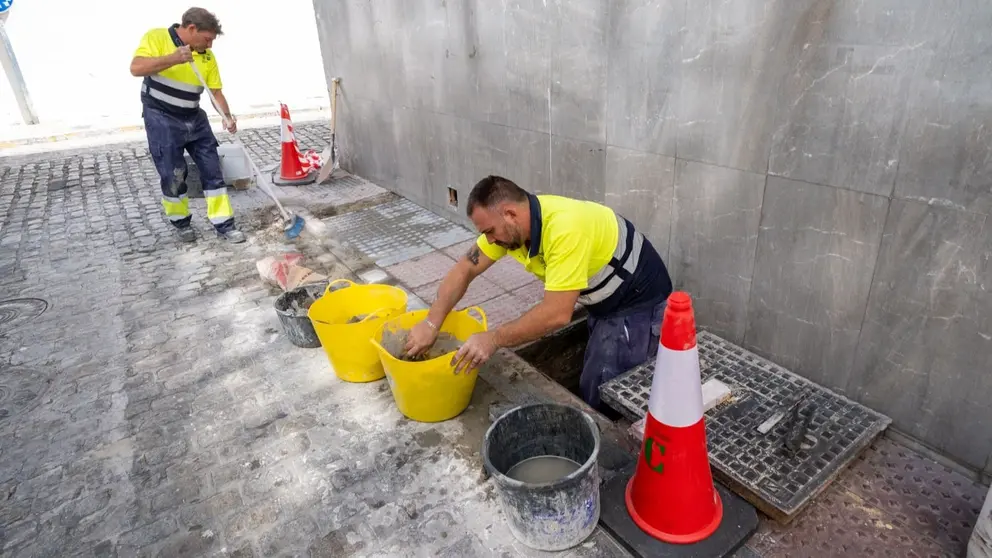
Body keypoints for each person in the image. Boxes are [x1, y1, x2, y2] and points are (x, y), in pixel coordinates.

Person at [404, 175, 673, 411]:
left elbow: (556, 314)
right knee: (597, 370)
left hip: (635, 301)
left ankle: (613, 453)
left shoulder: (565, 229)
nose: (488, 241)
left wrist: (494, 338)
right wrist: (431, 323)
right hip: (603, 297)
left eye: (489, 231)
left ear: (509, 213)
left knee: (602, 390)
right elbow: (465, 269)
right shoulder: (512, 229)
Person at [129, 7, 245, 243]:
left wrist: (227, 116)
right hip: (162, 118)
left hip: (194, 117)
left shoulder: (207, 57)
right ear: (191, 29)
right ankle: (181, 223)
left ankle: (224, 224)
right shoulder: (156, 37)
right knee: (173, 173)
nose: (210, 46)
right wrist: (174, 58)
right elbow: (136, 68)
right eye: (207, 39)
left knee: (212, 169)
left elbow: (215, 92)